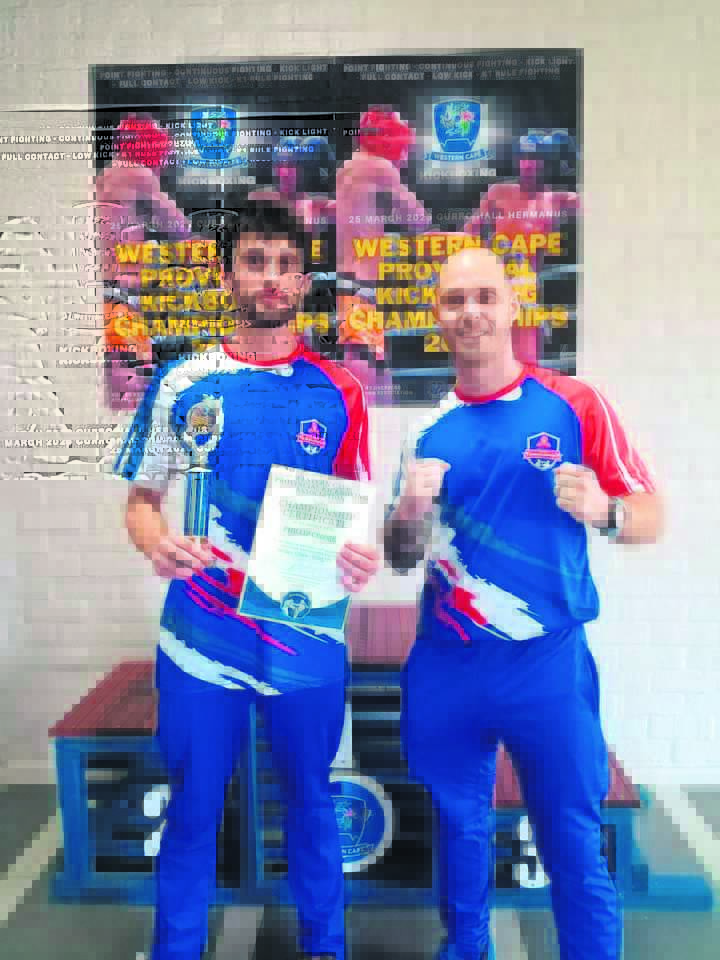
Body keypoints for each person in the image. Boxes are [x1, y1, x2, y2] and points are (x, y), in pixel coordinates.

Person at [115, 198, 380, 960]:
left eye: (286, 265)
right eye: (255, 261)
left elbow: (354, 511)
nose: (270, 278)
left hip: (303, 635)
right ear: (229, 274)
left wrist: (359, 554)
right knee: (194, 809)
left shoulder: (340, 391)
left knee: (312, 804)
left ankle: (325, 948)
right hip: (201, 635)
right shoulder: (181, 382)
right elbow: (141, 503)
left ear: (304, 283)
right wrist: (157, 544)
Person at [383, 246, 663, 960]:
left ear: (512, 307)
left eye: (485, 296)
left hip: (547, 665)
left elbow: (651, 514)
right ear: (437, 317)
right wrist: (408, 512)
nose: (470, 312)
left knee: (572, 841)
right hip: (449, 663)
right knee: (460, 835)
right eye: (454, 300)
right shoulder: (425, 431)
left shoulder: (574, 404)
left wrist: (607, 512)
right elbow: (402, 555)